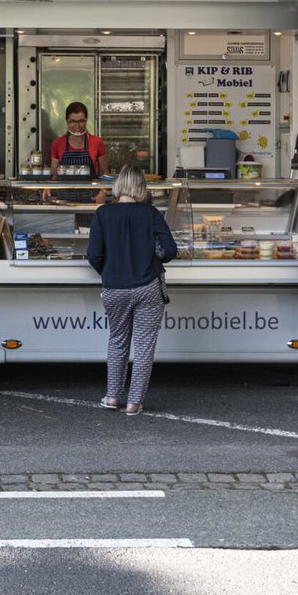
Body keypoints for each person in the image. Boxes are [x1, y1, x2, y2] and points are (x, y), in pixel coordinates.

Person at [85, 165, 177, 416]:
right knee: (144, 346)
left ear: (118, 186)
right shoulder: (150, 214)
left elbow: (93, 254)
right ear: (141, 188)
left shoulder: (103, 213)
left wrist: (109, 271)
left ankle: (112, 397)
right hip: (148, 286)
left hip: (114, 287)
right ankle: (135, 402)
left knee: (117, 341)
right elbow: (170, 251)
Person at [48, 100, 109, 203]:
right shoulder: (58, 143)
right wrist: (47, 188)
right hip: (64, 199)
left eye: (81, 121)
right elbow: (54, 175)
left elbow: (105, 173)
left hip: (91, 198)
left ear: (86, 120)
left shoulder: (97, 142)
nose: (77, 126)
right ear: (66, 121)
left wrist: (103, 192)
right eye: (73, 121)